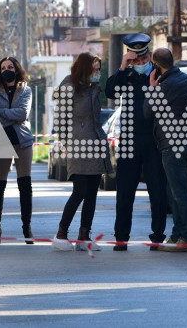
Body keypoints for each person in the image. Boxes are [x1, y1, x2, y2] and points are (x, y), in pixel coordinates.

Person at [104, 33, 169, 251]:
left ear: (150, 55)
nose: (140, 64)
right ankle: (121, 237)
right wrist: (122, 66)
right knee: (124, 192)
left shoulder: (160, 75)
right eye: (136, 60)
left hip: (153, 140)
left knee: (157, 191)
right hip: (130, 139)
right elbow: (110, 91)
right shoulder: (126, 74)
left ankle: (158, 237)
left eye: (143, 59)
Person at [51, 53, 113, 251]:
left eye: (99, 69)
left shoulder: (93, 87)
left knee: (93, 192)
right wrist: (68, 145)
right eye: (94, 69)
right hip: (78, 145)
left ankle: (84, 235)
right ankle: (61, 233)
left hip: (95, 143)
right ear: (84, 68)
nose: (97, 73)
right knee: (80, 191)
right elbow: (60, 122)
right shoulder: (69, 86)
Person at [144, 48, 187, 252]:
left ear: (157, 66)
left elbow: (148, 113)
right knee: (175, 190)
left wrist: (152, 88)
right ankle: (177, 234)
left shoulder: (164, 86)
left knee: (179, 192)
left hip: (171, 144)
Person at [0, 57, 34, 245]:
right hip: (0, 140)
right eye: (3, 67)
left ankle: (27, 228)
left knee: (25, 184)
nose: (7, 70)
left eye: (10, 67)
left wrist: (2, 113)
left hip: (23, 140)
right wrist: (8, 116)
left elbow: (23, 113)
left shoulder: (26, 90)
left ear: (16, 69)